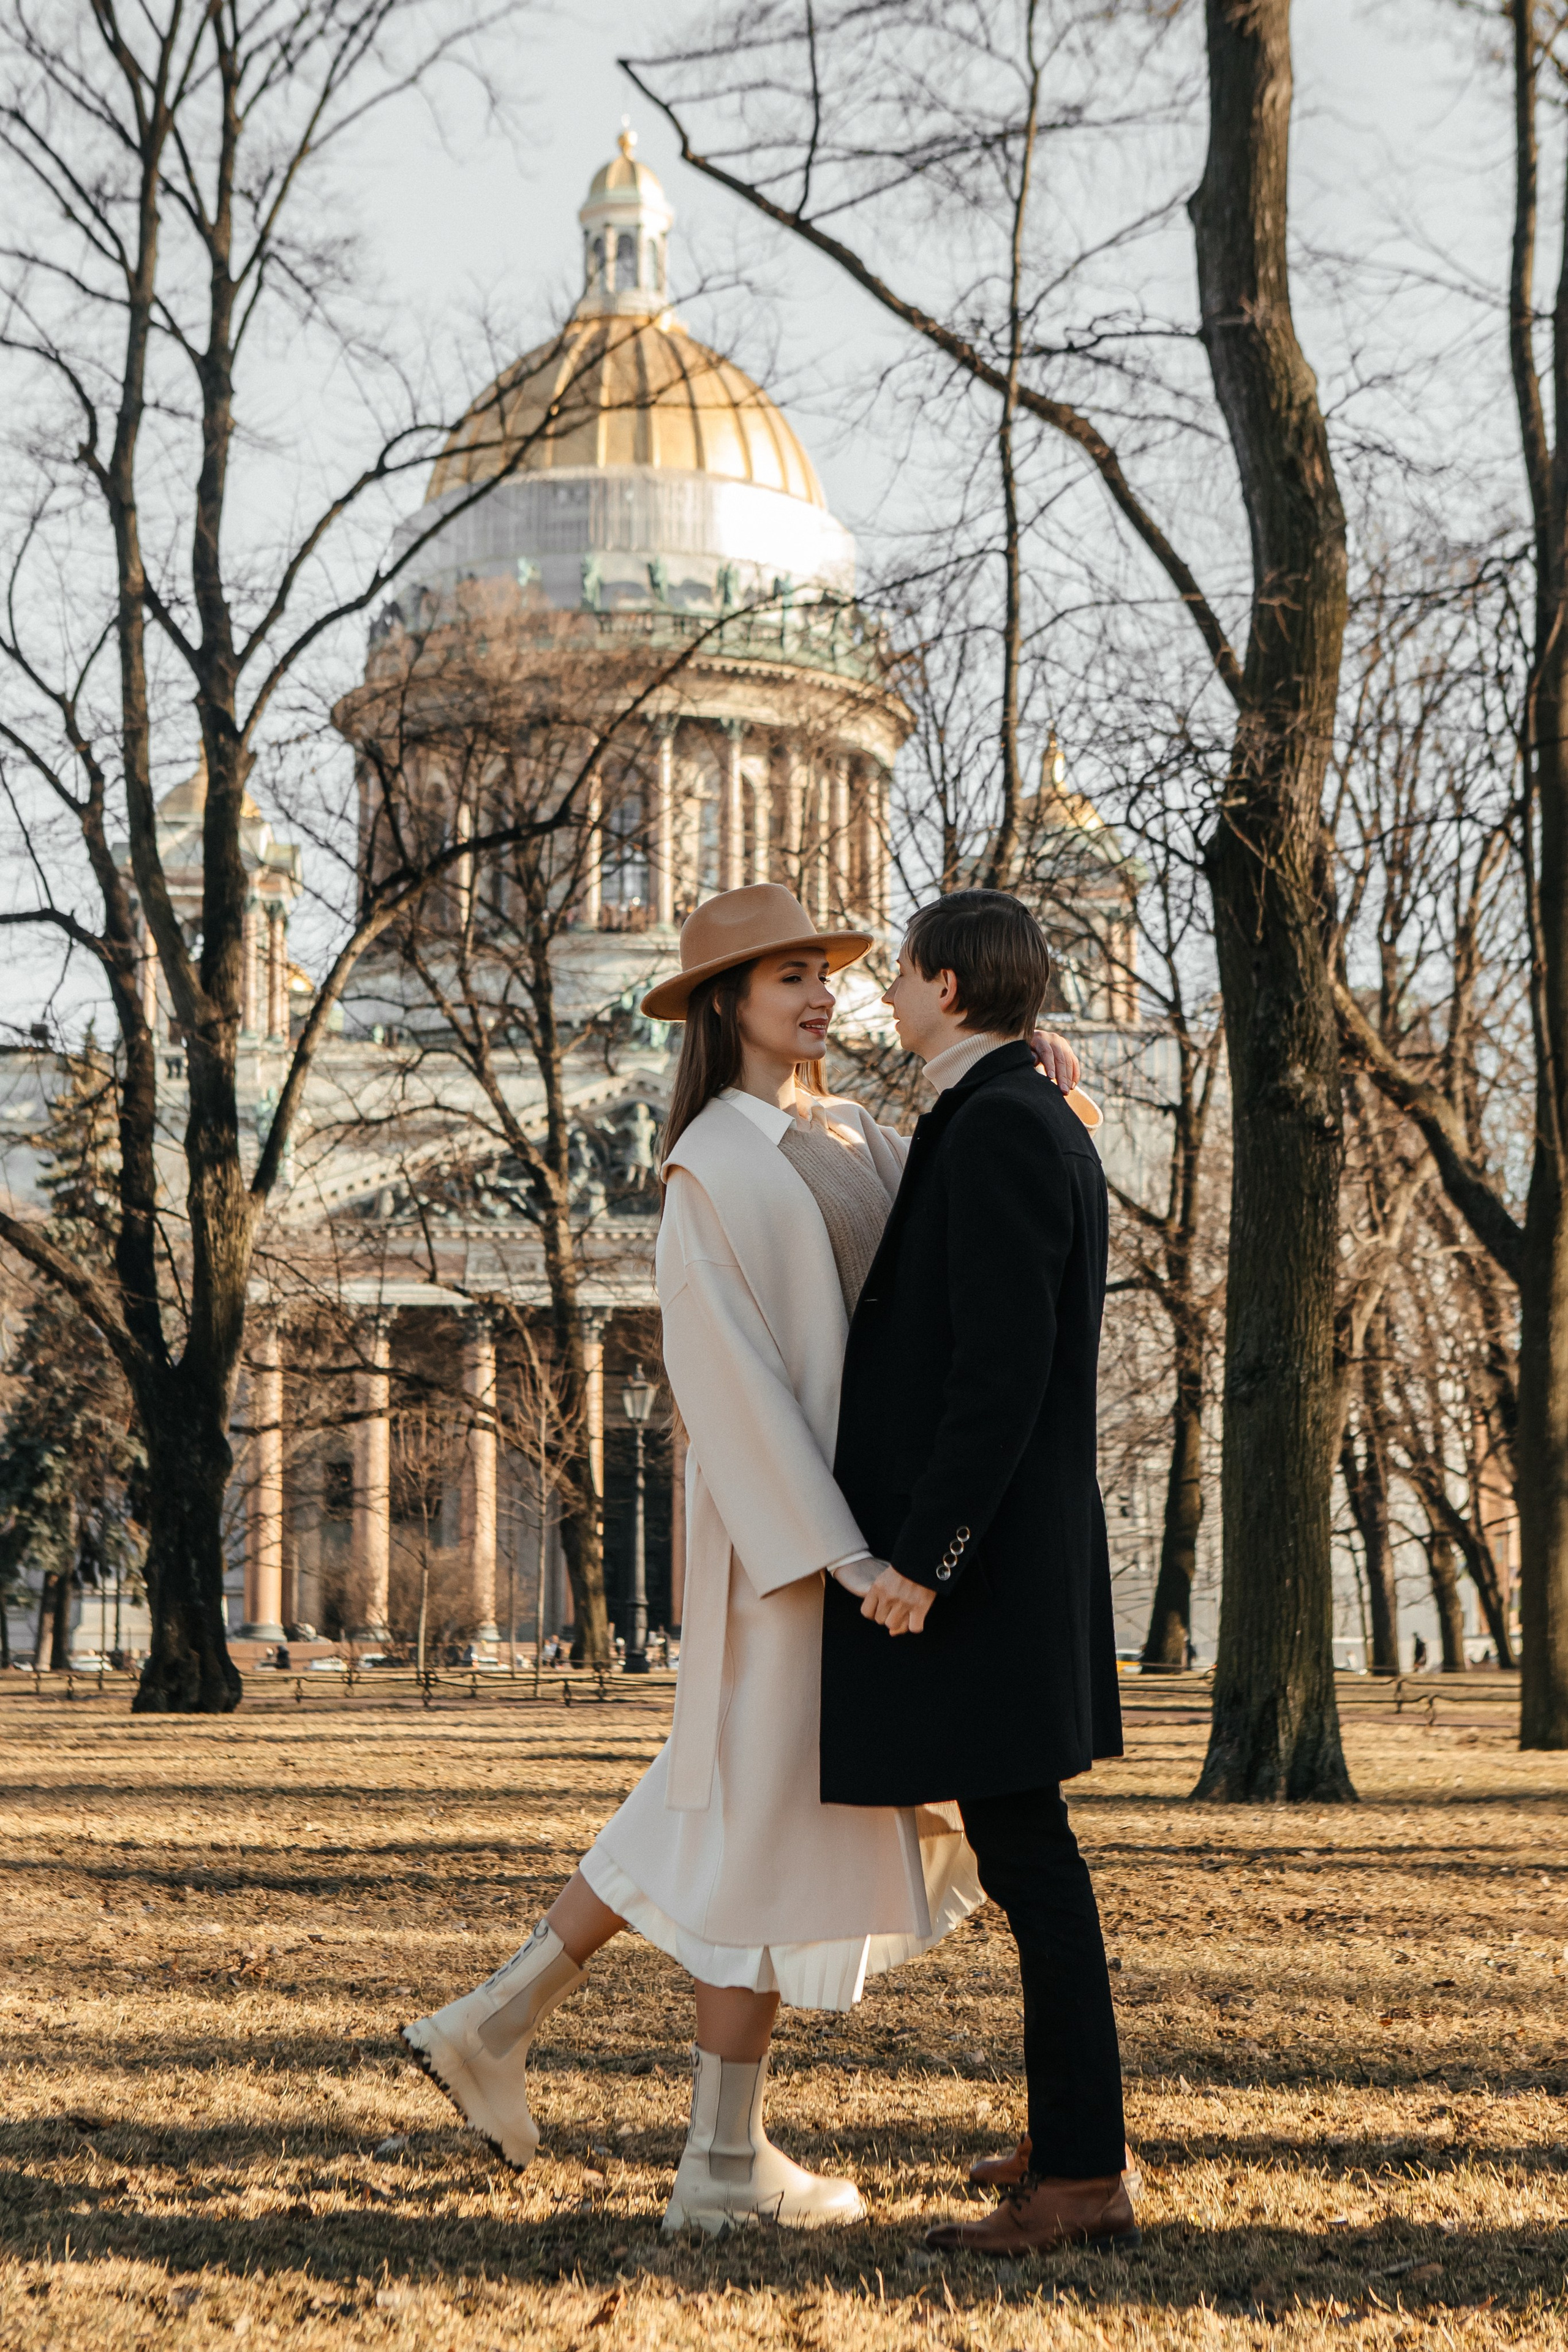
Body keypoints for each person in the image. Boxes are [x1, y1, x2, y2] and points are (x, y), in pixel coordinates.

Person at [401, 885, 1082, 2238]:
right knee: (742, 1808)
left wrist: (1035, 1073)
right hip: (795, 1544)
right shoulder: (708, 1162)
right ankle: (693, 2146)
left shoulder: (850, 1130)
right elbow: (728, 1386)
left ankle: (523, 2034)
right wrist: (836, 1555)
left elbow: (955, 1225)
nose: (824, 994)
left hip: (846, 1532)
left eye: (829, 972)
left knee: (729, 1809)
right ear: (726, 1005)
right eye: (790, 977)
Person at [823, 888, 1133, 2255]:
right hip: (1014, 1556)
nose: (884, 998)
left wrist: (922, 1561)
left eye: (898, 977)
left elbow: (996, 1374)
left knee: (1032, 1861)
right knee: (1029, 1861)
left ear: (946, 987)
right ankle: (1075, 2138)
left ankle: (1077, 2175)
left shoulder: (1005, 1123)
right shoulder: (1016, 1106)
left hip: (992, 1563)